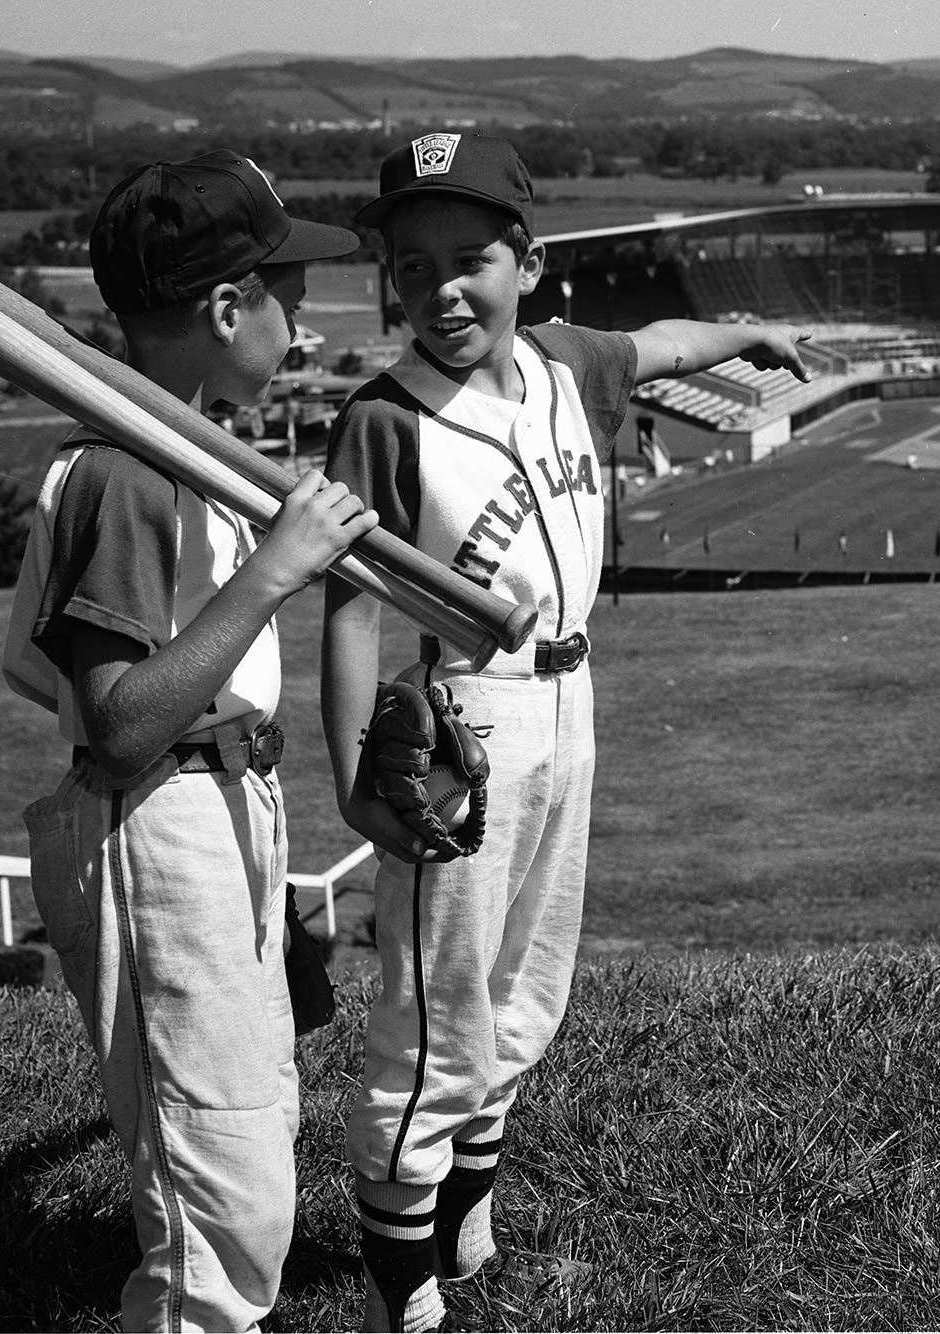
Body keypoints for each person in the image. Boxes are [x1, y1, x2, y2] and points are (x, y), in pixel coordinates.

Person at [321, 132, 811, 1332]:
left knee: (528, 984)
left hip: (568, 696)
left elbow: (666, 347)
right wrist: (350, 787)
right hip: (464, 715)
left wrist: (747, 332)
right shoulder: (384, 419)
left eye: (470, 257)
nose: (440, 288)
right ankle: (405, 1290)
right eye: (409, 261)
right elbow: (345, 607)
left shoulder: (565, 361)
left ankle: (466, 1223)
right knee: (436, 1005)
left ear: (527, 262)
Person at [1, 149, 377, 1332]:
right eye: (287, 285)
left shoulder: (186, 448)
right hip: (154, 821)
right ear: (226, 309)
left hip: (212, 807)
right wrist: (275, 573)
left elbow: (36, 666)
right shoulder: (129, 472)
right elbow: (116, 724)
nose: (305, 307)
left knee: (250, 1123)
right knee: (220, 1189)